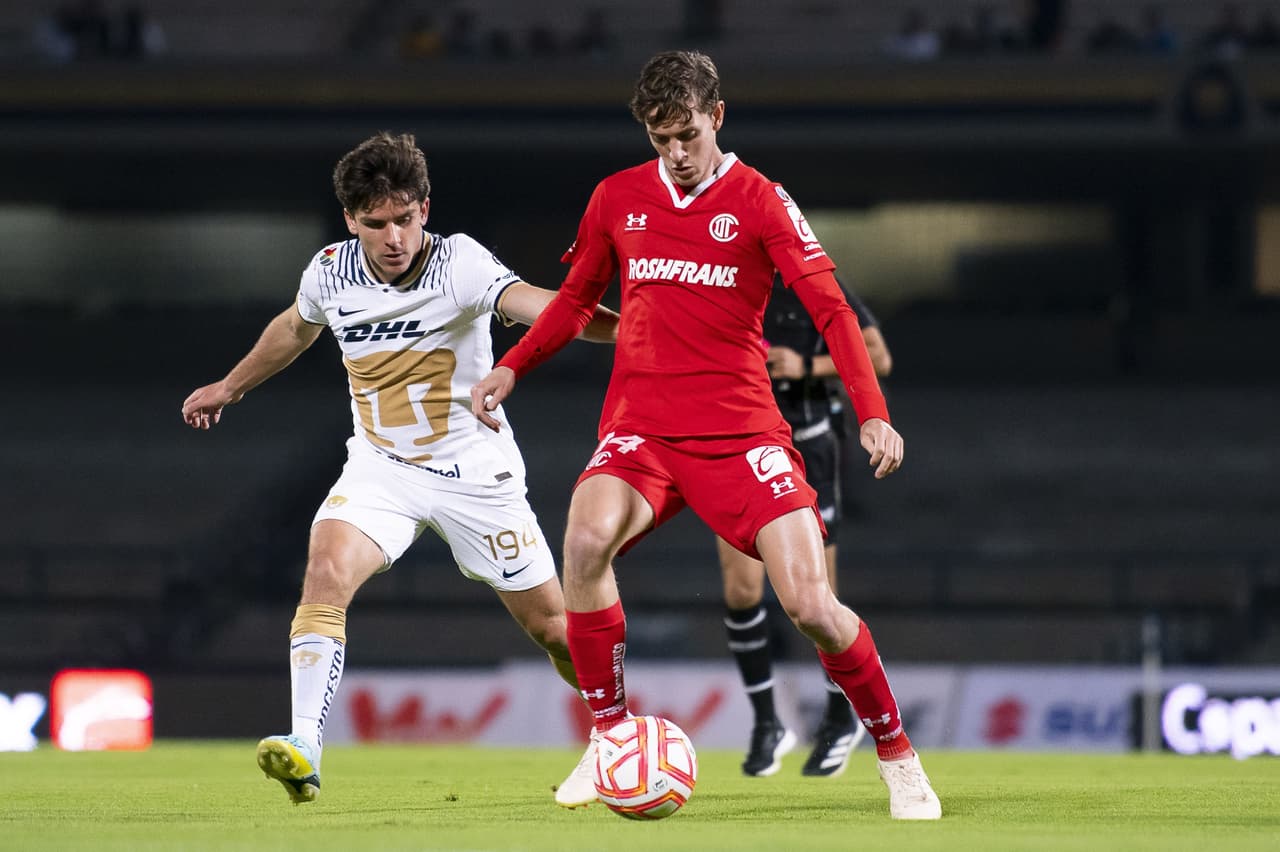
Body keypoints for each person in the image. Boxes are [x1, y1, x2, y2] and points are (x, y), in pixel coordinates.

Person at [471, 50, 942, 820]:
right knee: (584, 544)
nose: (678, 154)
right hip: (643, 430)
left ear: (716, 117)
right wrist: (514, 366)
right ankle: (611, 738)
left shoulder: (762, 201)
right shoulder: (616, 198)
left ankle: (897, 755)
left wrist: (874, 414)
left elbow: (832, 311)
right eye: (662, 140)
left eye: (688, 134)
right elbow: (575, 300)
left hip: (741, 432)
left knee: (812, 605)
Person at [181, 132, 618, 808]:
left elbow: (543, 304)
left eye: (405, 218)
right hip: (381, 469)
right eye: (376, 223)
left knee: (555, 631)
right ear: (351, 220)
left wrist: (631, 326)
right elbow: (296, 328)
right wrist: (230, 386)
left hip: (475, 474)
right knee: (324, 571)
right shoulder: (329, 271)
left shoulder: (459, 263)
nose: (394, 236)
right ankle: (304, 748)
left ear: (425, 209)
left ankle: (616, 729)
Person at [724, 274, 893, 778]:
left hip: (808, 446)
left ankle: (842, 715)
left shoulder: (815, 285)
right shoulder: (724, 280)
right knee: (739, 590)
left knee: (819, 599)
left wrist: (806, 367)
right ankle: (765, 723)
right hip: (740, 443)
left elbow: (878, 357)